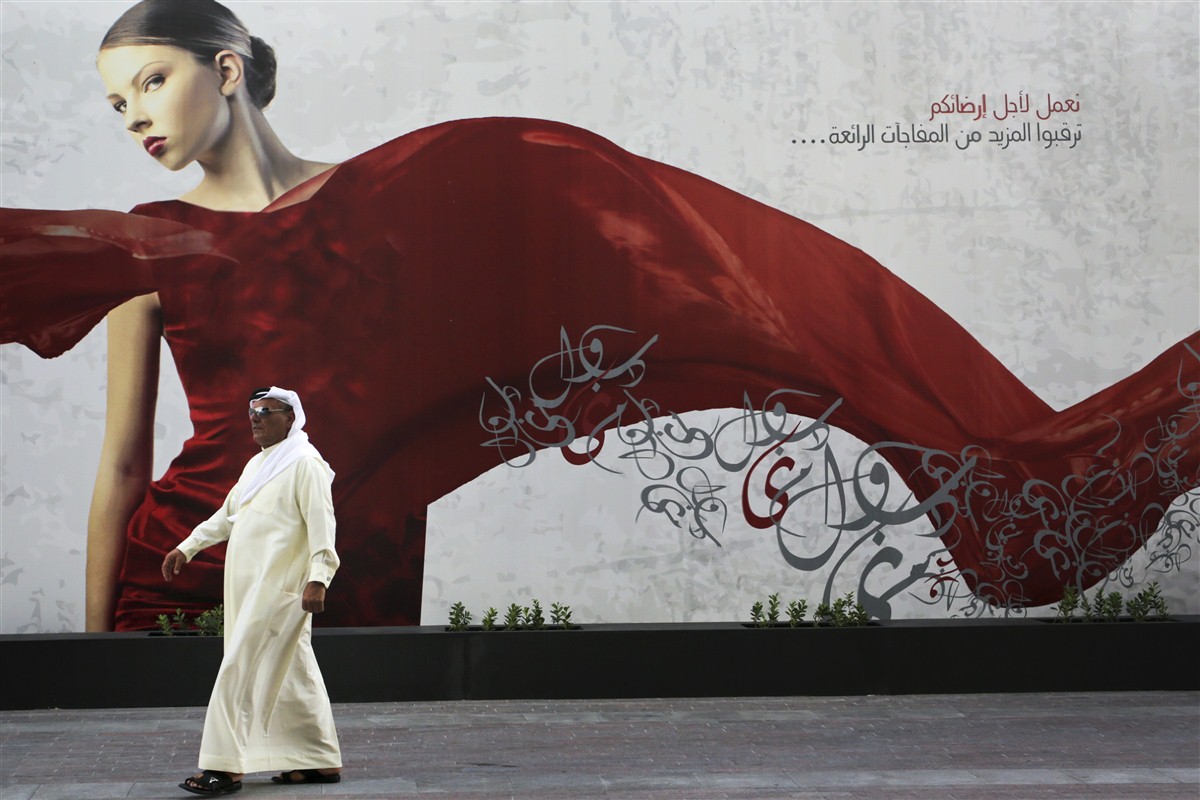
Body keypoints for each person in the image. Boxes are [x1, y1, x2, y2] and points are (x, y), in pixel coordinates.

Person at [1, 0, 1196, 631]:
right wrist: (92, 644)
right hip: (185, 571)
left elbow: (541, 260)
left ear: (230, 62)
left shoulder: (390, 203)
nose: (137, 118)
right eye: (115, 105)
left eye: (150, 80)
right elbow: (119, 467)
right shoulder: (150, 246)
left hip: (352, 560)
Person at [161, 386, 342, 795]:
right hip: (250, 590)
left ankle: (223, 768)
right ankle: (317, 760)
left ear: (291, 417)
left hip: (280, 592)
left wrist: (320, 576)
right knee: (295, 672)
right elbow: (228, 516)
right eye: (252, 411)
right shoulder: (259, 465)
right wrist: (187, 546)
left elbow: (323, 525)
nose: (256, 418)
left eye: (266, 411)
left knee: (237, 668)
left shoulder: (305, 464)